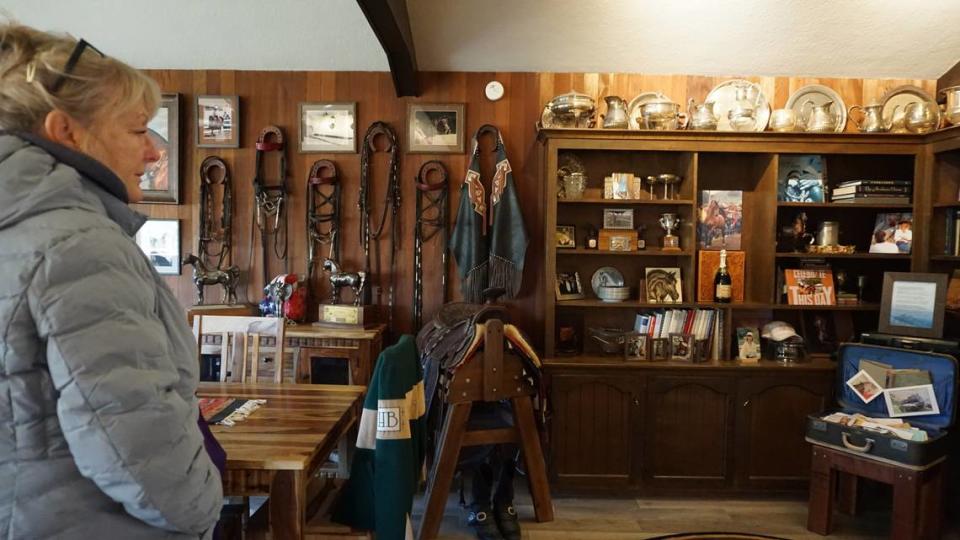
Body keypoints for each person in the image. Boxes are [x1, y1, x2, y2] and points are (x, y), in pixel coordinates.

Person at [0, 24, 223, 538]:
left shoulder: (23, 230)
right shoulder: (78, 245)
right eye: (137, 130)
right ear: (67, 132)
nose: (153, 152)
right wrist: (204, 508)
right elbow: (134, 441)